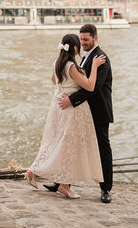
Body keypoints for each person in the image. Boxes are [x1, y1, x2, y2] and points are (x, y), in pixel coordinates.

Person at [25, 33, 106, 199]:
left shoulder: (57, 63)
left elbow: (54, 81)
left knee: (55, 142)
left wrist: (66, 86)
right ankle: (62, 185)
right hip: (72, 111)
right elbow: (90, 86)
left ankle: (36, 171)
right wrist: (95, 66)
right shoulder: (71, 66)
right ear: (75, 48)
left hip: (57, 106)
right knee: (70, 146)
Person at [45, 23, 114, 204]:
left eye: (86, 39)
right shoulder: (83, 57)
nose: (83, 42)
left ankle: (106, 189)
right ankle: (62, 182)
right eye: (81, 39)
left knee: (102, 149)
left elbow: (93, 88)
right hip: (81, 112)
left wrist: (71, 99)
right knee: (70, 146)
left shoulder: (102, 58)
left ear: (95, 38)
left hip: (98, 112)